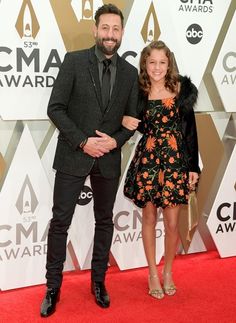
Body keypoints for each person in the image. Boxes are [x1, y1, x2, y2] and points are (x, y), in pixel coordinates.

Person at [40, 3, 139, 317]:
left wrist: (114, 141)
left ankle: (99, 281)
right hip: (73, 155)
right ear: (95, 30)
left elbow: (132, 120)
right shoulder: (74, 62)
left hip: (108, 159)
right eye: (105, 28)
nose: (110, 35)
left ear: (122, 33)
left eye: (115, 29)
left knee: (105, 222)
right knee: (60, 223)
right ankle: (52, 287)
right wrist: (83, 142)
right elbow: (55, 108)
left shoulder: (130, 73)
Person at [123, 40, 200, 300]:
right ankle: (152, 273)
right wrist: (124, 119)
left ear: (170, 64)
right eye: (152, 62)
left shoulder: (181, 89)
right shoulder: (138, 91)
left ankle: (168, 271)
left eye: (162, 62)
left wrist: (193, 166)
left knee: (172, 223)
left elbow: (190, 130)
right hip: (149, 161)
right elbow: (132, 123)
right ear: (145, 63)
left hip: (176, 161)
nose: (157, 67)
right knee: (148, 218)